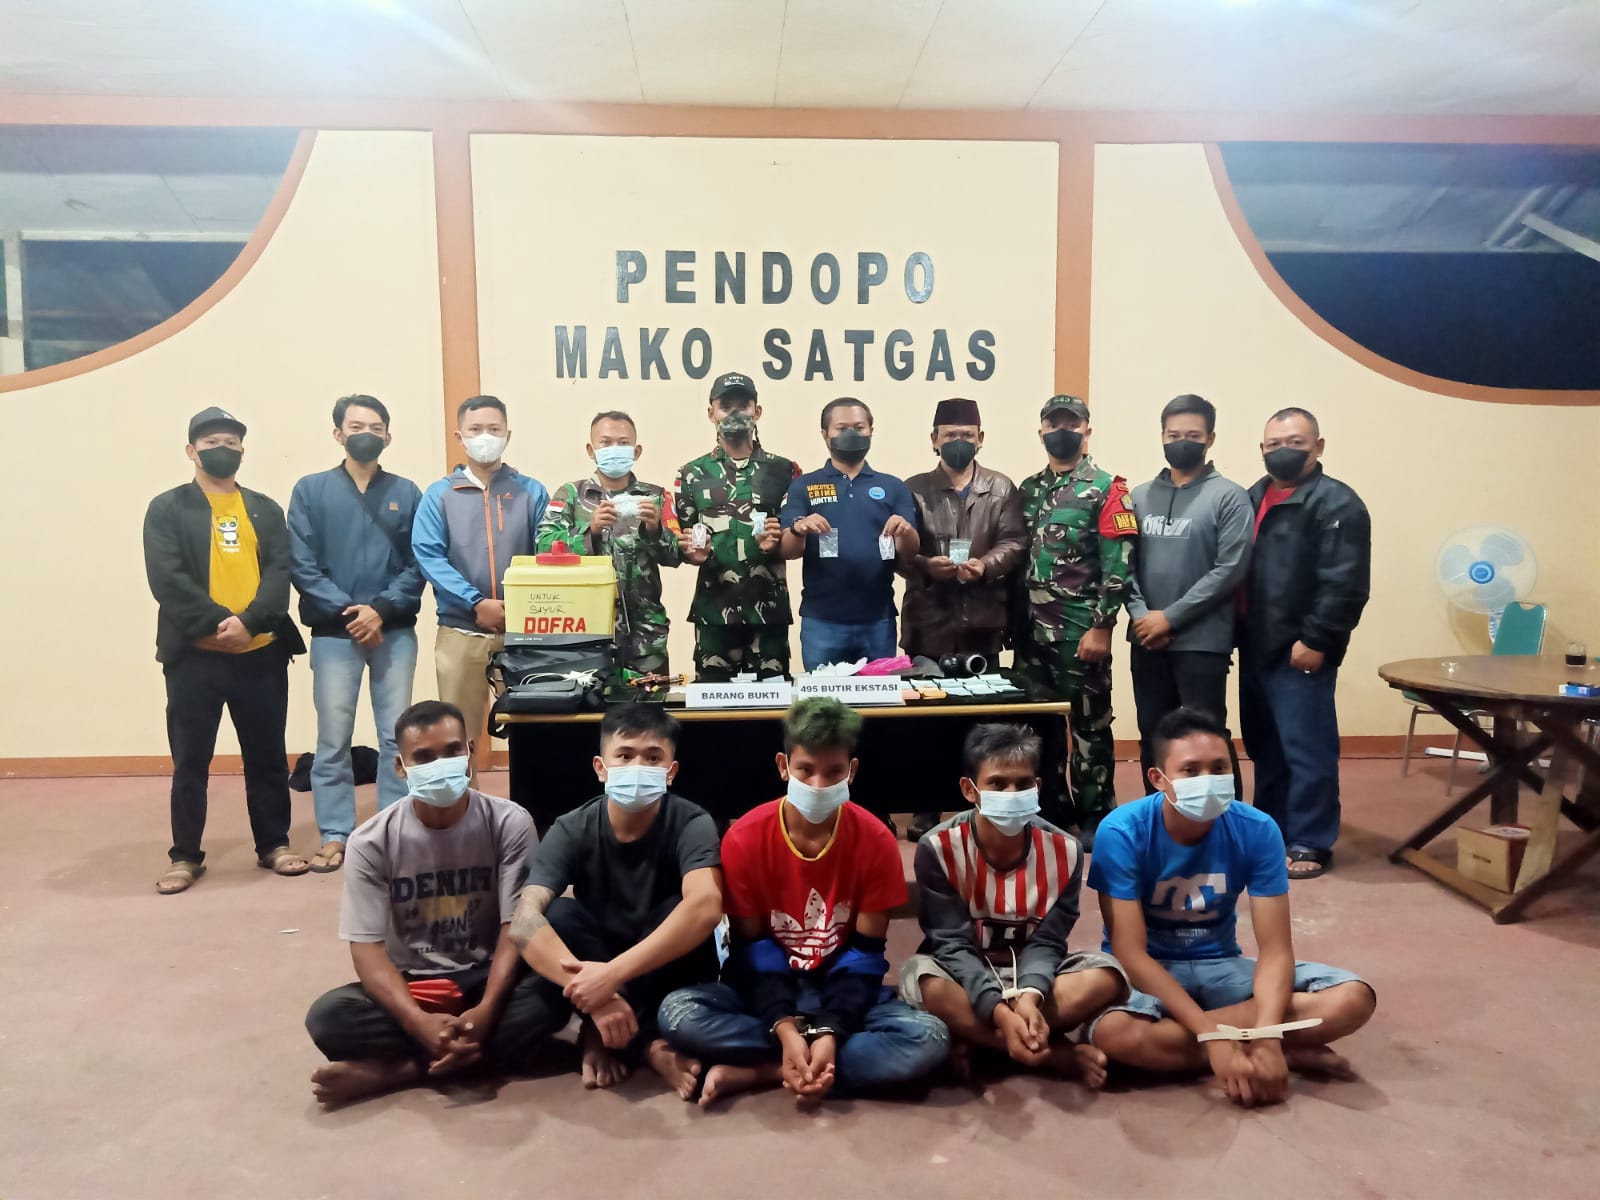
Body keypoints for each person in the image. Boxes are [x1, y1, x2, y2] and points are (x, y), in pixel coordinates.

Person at [657, 698, 949, 1108]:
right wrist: (784, 1026)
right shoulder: (744, 838)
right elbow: (752, 951)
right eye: (805, 770)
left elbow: (866, 955)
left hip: (841, 988)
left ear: (852, 770)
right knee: (678, 1013)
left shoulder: (877, 841)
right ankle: (800, 1056)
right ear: (783, 766)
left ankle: (765, 1070)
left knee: (930, 1037)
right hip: (766, 991)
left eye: (834, 772)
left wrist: (831, 1029)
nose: (818, 784)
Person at [1086, 707, 1376, 1106]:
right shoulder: (1122, 831)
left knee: (1351, 999)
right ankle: (1269, 1048)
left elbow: (1276, 950)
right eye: (1191, 770)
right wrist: (1212, 1035)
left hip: (1220, 965)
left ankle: (1208, 1050)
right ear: (1158, 778)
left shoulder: (1257, 828)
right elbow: (1130, 954)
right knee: (1115, 1034)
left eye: (1219, 768)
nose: (1208, 780)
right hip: (1148, 974)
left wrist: (1269, 1036)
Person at [304, 700, 559, 1106]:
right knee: (329, 1017)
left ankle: (401, 1072)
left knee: (553, 996)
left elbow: (516, 926)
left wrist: (488, 1008)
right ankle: (473, 1054)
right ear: (400, 767)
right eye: (423, 757)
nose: (440, 765)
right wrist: (416, 1021)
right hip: (416, 984)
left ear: (470, 752)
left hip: (487, 976)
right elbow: (366, 949)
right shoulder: (371, 842)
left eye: (452, 751)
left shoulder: (509, 822)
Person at [509, 705, 723, 1094]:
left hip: (664, 962)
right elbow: (524, 920)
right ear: (600, 767)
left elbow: (706, 906)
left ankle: (621, 1041)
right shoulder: (571, 827)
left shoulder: (693, 822)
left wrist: (611, 976)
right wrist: (598, 997)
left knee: (679, 908)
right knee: (559, 913)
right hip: (596, 955)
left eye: (653, 758)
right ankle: (638, 1040)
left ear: (671, 771)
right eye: (624, 755)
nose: (637, 766)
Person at [899, 724, 1127, 1085]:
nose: (1012, 793)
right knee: (921, 978)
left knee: (1107, 974)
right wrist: (998, 1010)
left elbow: (1049, 941)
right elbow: (950, 943)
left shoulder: (1065, 851)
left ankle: (984, 1040)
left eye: (1022, 784)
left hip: (1034, 978)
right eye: (998, 784)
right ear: (969, 789)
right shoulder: (938, 848)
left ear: (1038, 787)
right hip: (963, 975)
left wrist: (1030, 998)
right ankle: (1047, 1053)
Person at [142, 406, 309, 895]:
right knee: (191, 761)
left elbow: (280, 573)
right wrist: (219, 624)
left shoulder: (264, 508)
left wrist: (250, 623)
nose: (223, 450)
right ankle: (185, 856)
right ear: (192, 451)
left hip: (262, 654)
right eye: (212, 443)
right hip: (195, 656)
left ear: (242, 451)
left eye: (231, 443)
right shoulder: (167, 508)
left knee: (267, 756)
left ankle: (274, 844)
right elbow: (167, 578)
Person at [289, 394, 425, 873]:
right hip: (335, 633)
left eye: (375, 427)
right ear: (338, 433)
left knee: (395, 737)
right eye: (356, 426)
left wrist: (380, 610)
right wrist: (352, 613)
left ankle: (390, 831)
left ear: (388, 436)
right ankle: (335, 833)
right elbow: (301, 564)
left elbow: (419, 562)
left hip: (394, 630)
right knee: (333, 737)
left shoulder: (407, 492)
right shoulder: (311, 491)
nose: (366, 433)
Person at [1239, 408, 1371, 880]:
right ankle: (1271, 831)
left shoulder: (1337, 504)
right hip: (1256, 644)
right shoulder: (1253, 497)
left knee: (1307, 750)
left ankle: (1310, 839)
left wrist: (1317, 638)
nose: (1284, 451)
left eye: (1295, 442)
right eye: (1274, 444)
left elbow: (1345, 583)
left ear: (1318, 446)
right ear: (1262, 449)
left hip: (1300, 649)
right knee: (1265, 748)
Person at [900, 397, 1027, 841]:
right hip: (928, 623)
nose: (959, 441)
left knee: (981, 720)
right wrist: (924, 564)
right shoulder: (913, 489)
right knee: (927, 722)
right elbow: (897, 553)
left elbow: (1015, 542)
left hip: (983, 623)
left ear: (981, 438)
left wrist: (985, 565)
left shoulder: (1001, 488)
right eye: (950, 435)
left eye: (967, 435)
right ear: (934, 440)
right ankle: (926, 806)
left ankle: (983, 801)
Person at [1016, 395, 1137, 840]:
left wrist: (1102, 626)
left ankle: (1096, 812)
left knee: (1089, 725)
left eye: (1071, 424)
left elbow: (1119, 564)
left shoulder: (1108, 488)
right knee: (1040, 725)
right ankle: (1051, 806)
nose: (1061, 431)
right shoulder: (1029, 489)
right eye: (1053, 424)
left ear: (1087, 431)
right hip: (1032, 633)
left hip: (1079, 630)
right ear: (1041, 431)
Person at [1126, 393, 1252, 783]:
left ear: (1210, 438)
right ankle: (1158, 815)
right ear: (1162, 436)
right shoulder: (1139, 496)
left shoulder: (1230, 496)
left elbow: (1230, 569)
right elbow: (1121, 564)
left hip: (1202, 642)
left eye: (1193, 435)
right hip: (1146, 639)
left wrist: (1171, 618)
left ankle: (1224, 817)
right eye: (1173, 434)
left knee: (1207, 740)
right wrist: (1142, 616)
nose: (1182, 442)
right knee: (1153, 736)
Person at [412, 396, 548, 755]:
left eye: (494, 429)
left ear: (507, 435)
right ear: (460, 437)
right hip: (461, 630)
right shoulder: (439, 495)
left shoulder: (532, 492)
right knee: (457, 738)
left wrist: (517, 606)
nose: (485, 436)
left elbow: (546, 555)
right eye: (475, 429)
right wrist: (475, 603)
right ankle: (463, 795)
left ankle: (531, 795)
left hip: (524, 633)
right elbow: (429, 557)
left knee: (535, 731)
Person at [535, 411, 682, 679]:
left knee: (649, 704)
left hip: (645, 635)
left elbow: (675, 554)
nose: (615, 449)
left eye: (623, 443)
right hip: (585, 632)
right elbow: (544, 547)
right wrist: (590, 530)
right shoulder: (571, 495)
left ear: (636, 451)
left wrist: (654, 529)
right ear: (591, 450)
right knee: (588, 704)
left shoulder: (656, 497)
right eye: (606, 442)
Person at [674, 373, 801, 681]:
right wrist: (692, 552)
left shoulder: (785, 470)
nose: (734, 413)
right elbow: (684, 541)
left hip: (768, 613)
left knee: (772, 702)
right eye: (725, 406)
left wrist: (777, 541)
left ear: (757, 411)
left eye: (743, 405)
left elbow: (795, 538)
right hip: (714, 613)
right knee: (713, 703)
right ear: (711, 413)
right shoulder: (691, 474)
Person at [779, 398, 919, 670]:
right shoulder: (804, 486)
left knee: (879, 695)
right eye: (842, 428)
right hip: (822, 621)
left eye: (859, 427)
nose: (851, 434)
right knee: (823, 696)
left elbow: (911, 551)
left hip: (878, 619)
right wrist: (798, 528)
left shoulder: (893, 486)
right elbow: (788, 550)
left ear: (871, 431)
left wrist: (904, 530)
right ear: (825, 435)